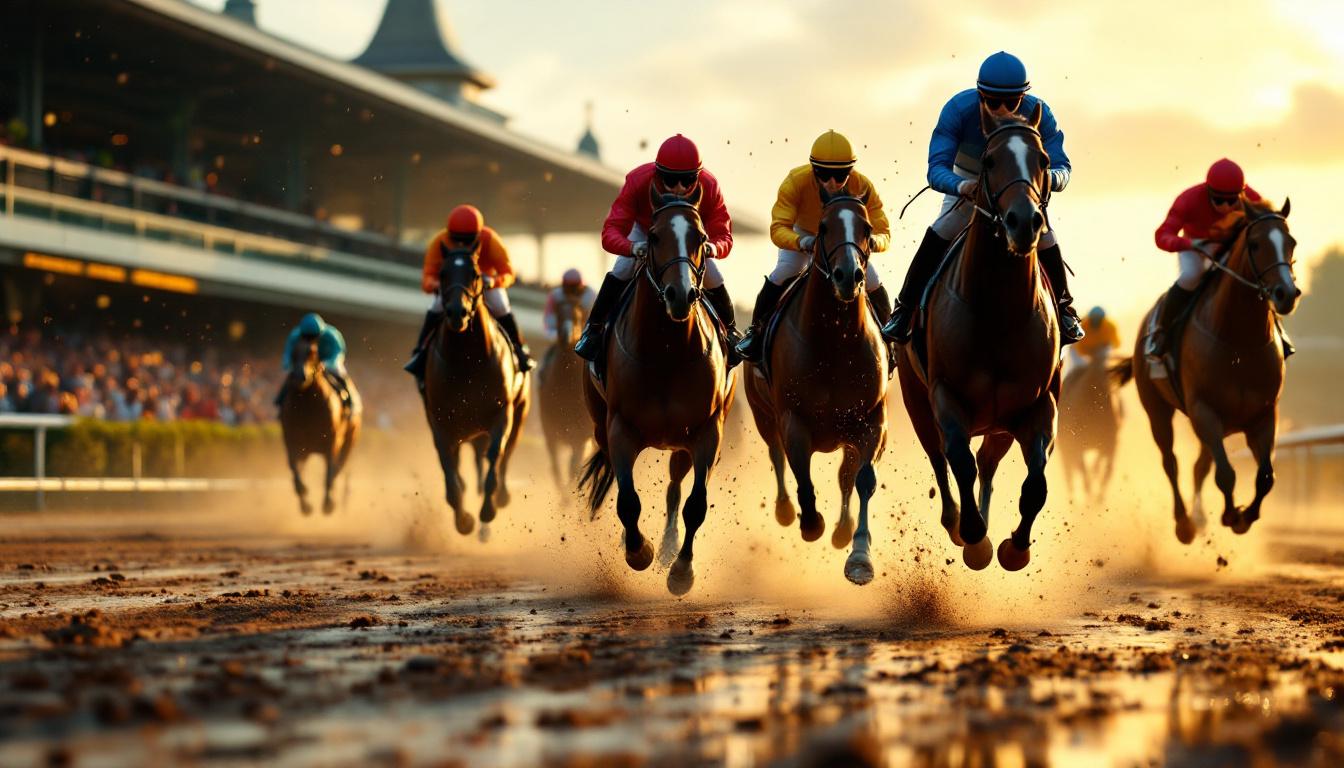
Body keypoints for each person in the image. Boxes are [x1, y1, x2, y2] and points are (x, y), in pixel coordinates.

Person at [883, 51, 1083, 345]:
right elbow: (936, 168)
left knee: (1045, 237)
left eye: (1011, 102)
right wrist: (961, 186)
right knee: (943, 229)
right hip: (971, 181)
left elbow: (1062, 166)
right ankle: (904, 309)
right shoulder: (957, 109)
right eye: (992, 102)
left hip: (1018, 184)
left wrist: (1047, 179)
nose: (1002, 109)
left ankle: (1065, 311)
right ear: (980, 95)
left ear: (1023, 97)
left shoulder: (1041, 112)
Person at [573, 134, 740, 363]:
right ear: (658, 173)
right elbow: (610, 232)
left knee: (713, 275)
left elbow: (724, 235)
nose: (680, 188)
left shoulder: (709, 185)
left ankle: (730, 331)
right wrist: (632, 247)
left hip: (689, 238)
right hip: (646, 231)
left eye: (688, 179)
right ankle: (594, 330)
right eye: (671, 180)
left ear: (698, 176)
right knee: (622, 269)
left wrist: (713, 248)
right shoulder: (638, 180)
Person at [735, 130, 893, 363]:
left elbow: (884, 232)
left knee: (871, 280)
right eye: (824, 174)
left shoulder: (863, 186)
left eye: (840, 176)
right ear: (813, 169)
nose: (832, 182)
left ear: (850, 171)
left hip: (843, 240)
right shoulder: (795, 182)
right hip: (804, 234)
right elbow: (778, 228)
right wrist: (802, 242)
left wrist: (872, 242)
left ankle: (890, 337)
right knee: (785, 271)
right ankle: (755, 333)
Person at [1150, 158, 1292, 357]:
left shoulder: (1252, 199)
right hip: (1196, 247)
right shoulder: (1188, 199)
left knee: (1259, 277)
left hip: (1230, 247)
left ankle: (1279, 334)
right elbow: (1162, 236)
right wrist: (1190, 244)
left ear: (1241, 194)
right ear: (1208, 191)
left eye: (1232, 200)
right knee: (1191, 275)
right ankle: (1161, 334)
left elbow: (1267, 227)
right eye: (1218, 200)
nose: (1225, 206)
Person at [404, 204, 534, 385]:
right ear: (449, 234)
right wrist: (438, 284)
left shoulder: (490, 239)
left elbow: (508, 272)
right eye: (457, 239)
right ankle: (420, 354)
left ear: (478, 234)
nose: (462, 245)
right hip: (454, 287)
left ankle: (520, 350)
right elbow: (427, 278)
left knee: (501, 306)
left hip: (485, 283)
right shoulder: (439, 241)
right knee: (435, 307)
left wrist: (494, 282)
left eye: (467, 240)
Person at [277, 312, 351, 408]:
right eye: (306, 337)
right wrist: (288, 364)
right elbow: (287, 353)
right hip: (307, 362)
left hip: (328, 361)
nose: (310, 341)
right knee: (292, 376)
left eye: (313, 337)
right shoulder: (295, 335)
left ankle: (349, 402)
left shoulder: (332, 335)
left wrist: (327, 364)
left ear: (320, 333)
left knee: (341, 375)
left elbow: (338, 353)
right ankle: (280, 400)